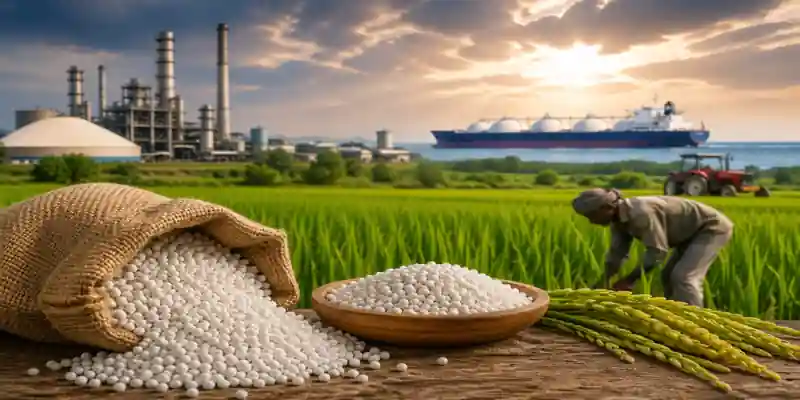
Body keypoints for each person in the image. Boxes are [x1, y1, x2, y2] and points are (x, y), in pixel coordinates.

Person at [571, 188, 733, 307]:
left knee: (683, 277)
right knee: (667, 275)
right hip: (688, 234)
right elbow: (617, 254)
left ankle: (697, 325)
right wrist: (601, 282)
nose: (592, 222)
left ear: (607, 208)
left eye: (591, 216)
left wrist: (629, 280)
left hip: (710, 229)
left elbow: (657, 252)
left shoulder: (641, 214)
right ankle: (676, 315)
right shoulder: (618, 220)